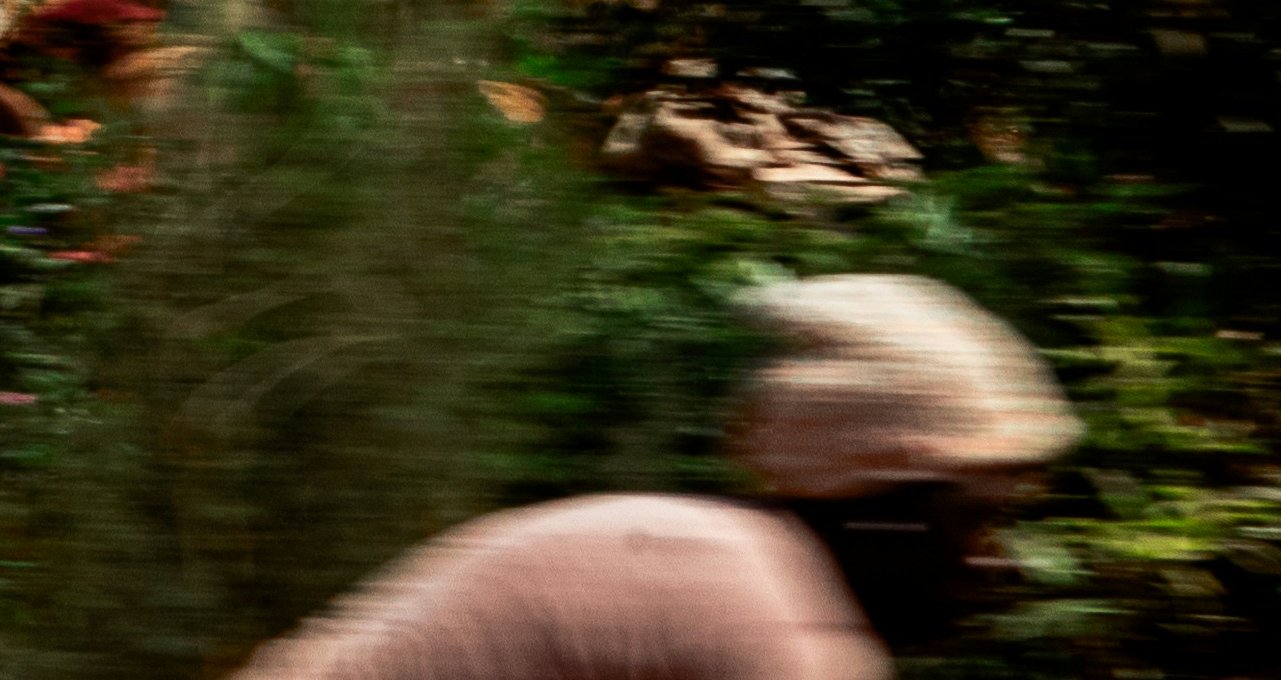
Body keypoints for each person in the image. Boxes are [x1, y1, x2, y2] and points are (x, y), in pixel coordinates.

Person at [229, 274, 1073, 680]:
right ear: (884, 507)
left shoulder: (720, 553)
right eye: (981, 520)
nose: (1005, 564)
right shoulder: (757, 605)